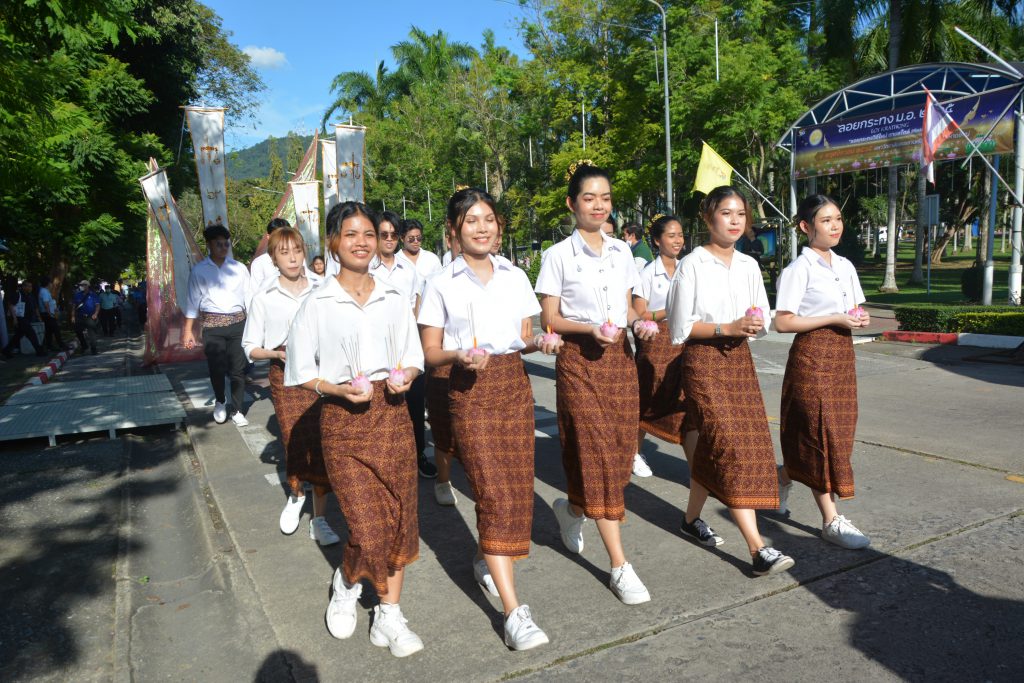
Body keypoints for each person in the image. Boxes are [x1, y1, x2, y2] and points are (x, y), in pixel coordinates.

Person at [419, 188, 560, 651]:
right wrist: (459, 355)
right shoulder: (440, 283)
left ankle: (485, 556)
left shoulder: (515, 276)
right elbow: (430, 352)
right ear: (454, 229)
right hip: (469, 390)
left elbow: (523, 337)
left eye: (489, 219)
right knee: (492, 491)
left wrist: (542, 343)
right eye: (471, 220)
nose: (482, 228)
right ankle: (514, 612)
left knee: (516, 489)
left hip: (513, 385)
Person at [285, 201, 425, 658]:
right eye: (351, 234)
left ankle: (389, 613)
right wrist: (336, 389)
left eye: (369, 233)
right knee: (366, 523)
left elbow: (413, 355)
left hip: (393, 413)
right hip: (342, 419)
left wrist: (407, 375)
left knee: (400, 516)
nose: (362, 242)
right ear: (333, 243)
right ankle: (347, 582)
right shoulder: (317, 303)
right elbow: (301, 371)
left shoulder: (393, 296)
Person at [534, 163, 657, 605]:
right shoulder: (557, 255)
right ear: (572, 204)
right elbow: (549, 318)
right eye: (589, 198)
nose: (599, 205)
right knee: (597, 456)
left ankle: (571, 510)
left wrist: (640, 324)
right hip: (579, 363)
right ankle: (620, 565)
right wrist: (588, 329)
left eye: (605, 197)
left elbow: (628, 307)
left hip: (620, 363)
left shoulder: (622, 252)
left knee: (620, 456)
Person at [666, 185, 795, 576]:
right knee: (732, 449)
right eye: (726, 213)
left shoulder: (748, 265)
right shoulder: (692, 264)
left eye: (741, 213)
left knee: (716, 450)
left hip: (739, 361)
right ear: (709, 218)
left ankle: (690, 520)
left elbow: (761, 315)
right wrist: (729, 326)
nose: (735, 220)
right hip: (703, 363)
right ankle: (758, 548)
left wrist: (752, 324)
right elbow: (680, 328)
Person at [773, 194, 871, 549]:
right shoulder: (798, 270)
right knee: (821, 432)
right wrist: (833, 317)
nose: (835, 226)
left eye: (838, 219)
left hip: (842, 356)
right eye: (826, 220)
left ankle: (782, 477)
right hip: (812, 357)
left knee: (838, 433)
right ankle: (831, 520)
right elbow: (783, 322)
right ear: (806, 226)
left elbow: (854, 308)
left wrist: (859, 317)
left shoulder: (845, 265)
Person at [242, 226, 339, 547]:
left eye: (297, 251)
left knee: (323, 442)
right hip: (285, 377)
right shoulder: (264, 297)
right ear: (273, 259)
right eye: (284, 253)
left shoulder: (323, 287)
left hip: (321, 373)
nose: (293, 258)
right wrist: (276, 353)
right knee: (293, 439)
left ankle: (320, 519)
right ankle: (296, 495)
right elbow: (250, 346)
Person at [370, 210, 434, 479]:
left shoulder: (408, 270)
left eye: (394, 235)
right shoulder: (366, 267)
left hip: (407, 346)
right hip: (375, 348)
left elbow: (416, 306)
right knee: (382, 407)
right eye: (383, 234)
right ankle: (384, 462)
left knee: (415, 405)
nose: (389, 239)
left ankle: (418, 454)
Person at [631, 215, 687, 478]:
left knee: (686, 401)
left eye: (680, 235)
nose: (678, 241)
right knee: (648, 397)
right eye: (671, 236)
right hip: (655, 343)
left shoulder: (687, 268)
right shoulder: (647, 273)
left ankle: (697, 464)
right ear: (656, 240)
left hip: (683, 339)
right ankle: (634, 451)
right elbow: (640, 313)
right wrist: (670, 310)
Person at [182, 223, 251, 427]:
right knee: (217, 368)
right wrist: (188, 331)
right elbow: (192, 301)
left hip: (238, 324)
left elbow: (250, 298)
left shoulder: (239, 268)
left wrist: (255, 326)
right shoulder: (199, 271)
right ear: (209, 245)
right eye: (218, 244)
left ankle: (237, 410)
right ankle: (220, 400)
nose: (223, 248)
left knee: (238, 370)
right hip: (212, 327)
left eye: (226, 244)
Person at [3, 279, 46, 357]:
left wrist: (38, 317)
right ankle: (39, 351)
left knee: (18, 336)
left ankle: (6, 350)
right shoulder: (18, 294)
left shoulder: (30, 296)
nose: (30, 288)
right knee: (32, 334)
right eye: (28, 286)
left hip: (27, 318)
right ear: (23, 287)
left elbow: (35, 307)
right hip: (20, 318)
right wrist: (14, 318)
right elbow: (11, 305)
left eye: (31, 286)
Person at [249, 218, 293, 292]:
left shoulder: (297, 259)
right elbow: (255, 293)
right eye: (277, 236)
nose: (281, 240)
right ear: (268, 237)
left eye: (285, 236)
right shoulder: (259, 263)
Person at [71, 279, 99, 355]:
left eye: (83, 285)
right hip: (79, 316)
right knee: (78, 331)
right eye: (80, 285)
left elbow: (97, 305)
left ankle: (93, 348)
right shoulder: (77, 295)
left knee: (91, 333)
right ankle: (84, 346)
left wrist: (96, 314)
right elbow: (74, 306)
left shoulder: (93, 295)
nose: (81, 286)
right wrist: (72, 316)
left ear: (87, 286)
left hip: (90, 316)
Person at [38, 276, 64, 352]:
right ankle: (61, 345)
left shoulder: (43, 290)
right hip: (48, 314)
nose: (51, 284)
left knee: (49, 331)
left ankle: (49, 346)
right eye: (50, 282)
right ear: (48, 283)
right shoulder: (44, 292)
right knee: (56, 330)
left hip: (46, 314)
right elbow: (46, 304)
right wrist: (50, 314)